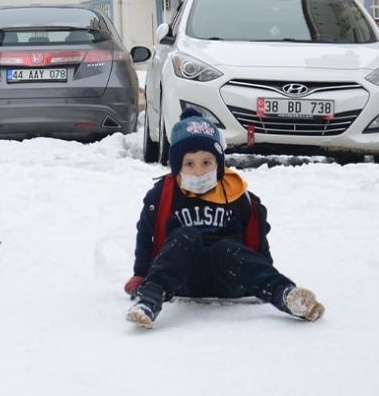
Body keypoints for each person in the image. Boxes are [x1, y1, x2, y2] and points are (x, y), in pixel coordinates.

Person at [123, 108, 325, 328]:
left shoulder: (239, 195)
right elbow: (146, 235)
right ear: (176, 167)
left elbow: (257, 243)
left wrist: (262, 271)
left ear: (219, 164)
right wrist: (140, 274)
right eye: (189, 164)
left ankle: (286, 295)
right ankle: (149, 301)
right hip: (181, 278)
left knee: (226, 247)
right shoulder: (163, 196)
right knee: (186, 237)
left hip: (229, 278)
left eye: (206, 163)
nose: (199, 172)